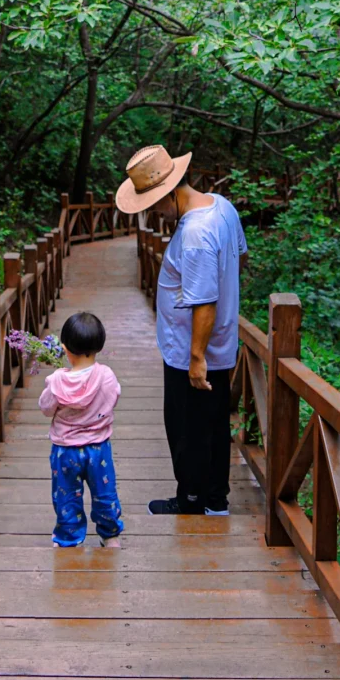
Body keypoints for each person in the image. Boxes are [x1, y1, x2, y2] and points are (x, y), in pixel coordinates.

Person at [115, 144, 247, 516]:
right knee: (215, 423)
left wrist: (196, 358)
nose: (155, 212)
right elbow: (239, 256)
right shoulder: (221, 206)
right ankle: (215, 498)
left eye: (156, 204)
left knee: (185, 427)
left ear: (171, 193)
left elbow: (203, 300)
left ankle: (191, 498)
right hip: (219, 342)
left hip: (192, 348)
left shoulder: (194, 235)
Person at [39, 310, 124, 548]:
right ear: (99, 345)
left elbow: (46, 408)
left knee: (66, 495)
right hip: (99, 449)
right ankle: (110, 534)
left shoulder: (57, 381)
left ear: (64, 348)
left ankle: (69, 537)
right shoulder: (106, 376)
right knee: (104, 492)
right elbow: (113, 398)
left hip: (65, 450)